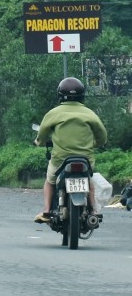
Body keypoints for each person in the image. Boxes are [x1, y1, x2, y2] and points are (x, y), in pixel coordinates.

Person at [34, 77, 107, 223]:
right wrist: (96, 143)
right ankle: (93, 209)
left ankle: (47, 210)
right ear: (82, 95)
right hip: (85, 159)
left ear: (60, 95)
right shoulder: (89, 113)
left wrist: (39, 142)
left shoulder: (54, 113)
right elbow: (102, 135)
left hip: (60, 159)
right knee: (89, 181)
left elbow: (42, 133)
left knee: (50, 181)